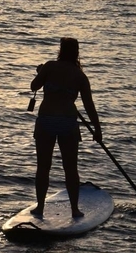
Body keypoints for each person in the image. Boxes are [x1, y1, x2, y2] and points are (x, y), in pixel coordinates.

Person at [30, 37, 102, 218]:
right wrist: (97, 129)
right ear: (77, 53)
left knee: (43, 167)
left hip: (46, 121)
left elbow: (34, 86)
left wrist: (41, 73)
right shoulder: (80, 76)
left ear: (60, 51)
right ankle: (74, 210)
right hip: (68, 123)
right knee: (70, 168)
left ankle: (40, 207)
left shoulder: (49, 66)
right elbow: (89, 105)